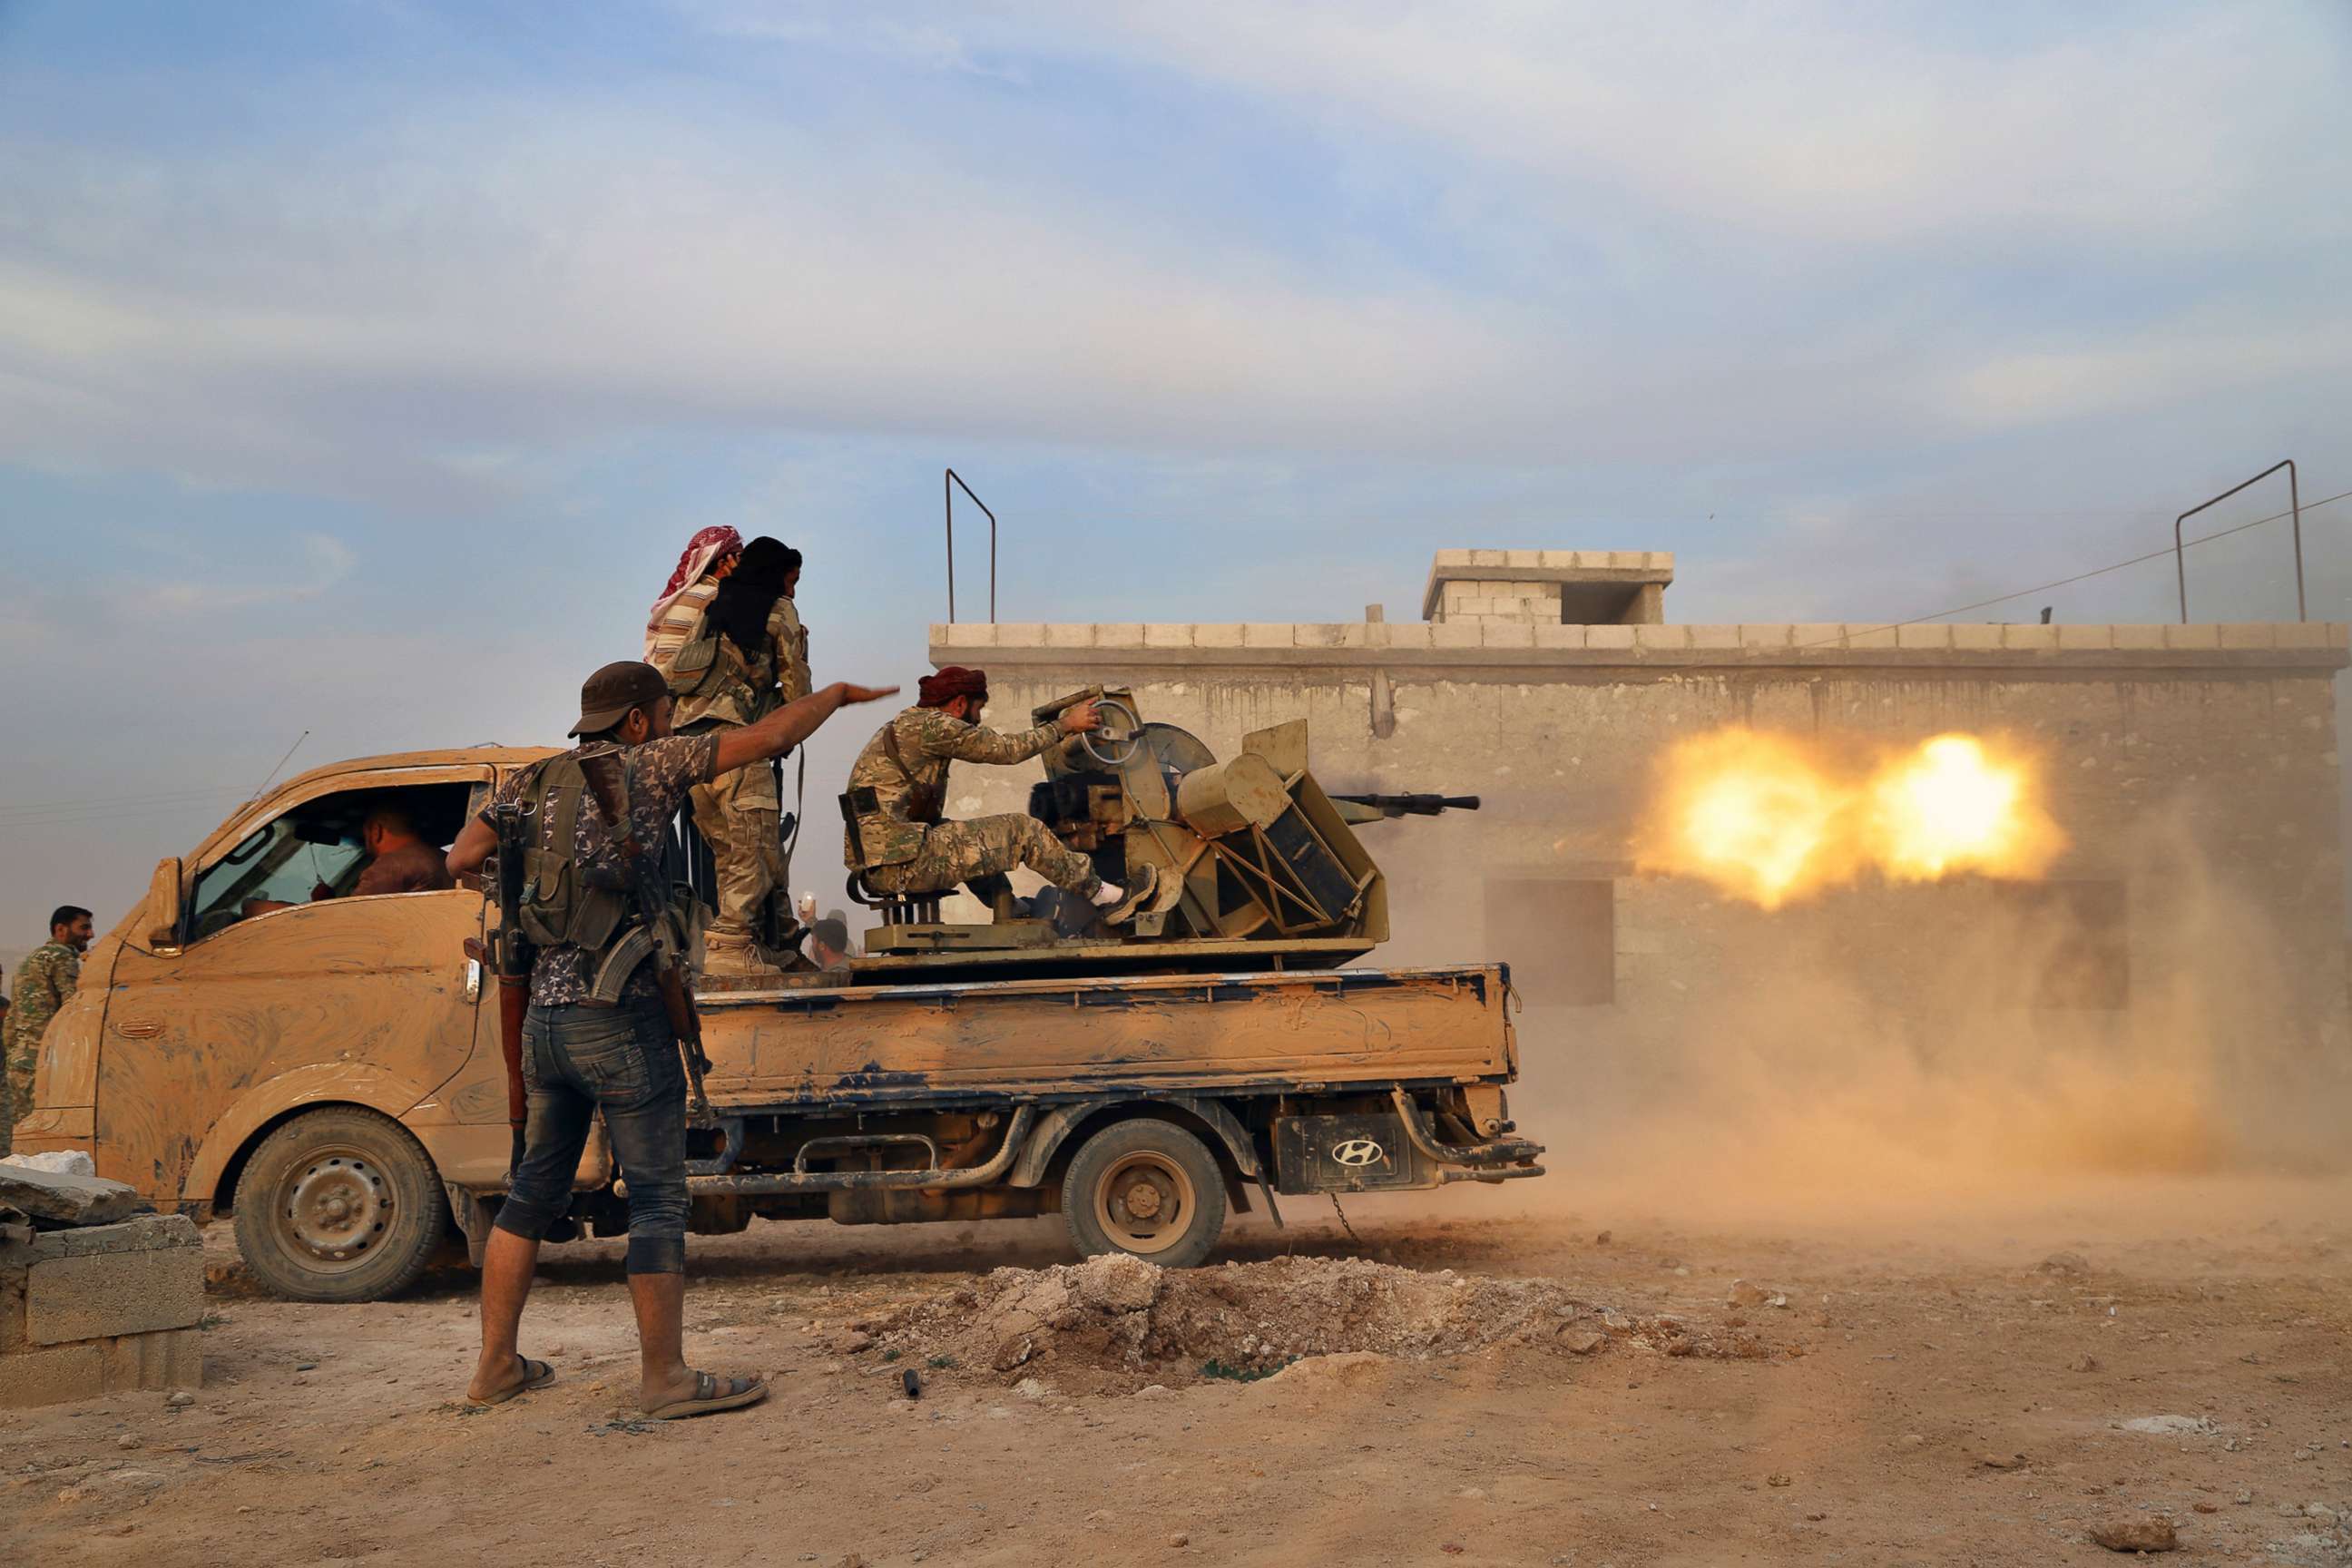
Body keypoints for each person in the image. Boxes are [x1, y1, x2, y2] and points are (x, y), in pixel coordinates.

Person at [446, 660, 893, 1418]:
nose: (671, 724)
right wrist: (838, 698)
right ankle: (665, 1380)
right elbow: (769, 737)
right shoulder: (650, 764)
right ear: (637, 722)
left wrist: (528, 911)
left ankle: (495, 1368)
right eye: (665, 712)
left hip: (544, 1025)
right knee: (656, 1199)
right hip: (621, 1015)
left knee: (531, 1193)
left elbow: (460, 859)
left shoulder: (530, 781)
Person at [842, 666, 1155, 922]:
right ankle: (1106, 897)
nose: (977, 720)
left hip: (883, 866)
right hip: (903, 864)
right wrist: (1065, 726)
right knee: (1023, 831)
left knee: (958, 835)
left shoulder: (904, 725)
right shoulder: (933, 726)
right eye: (977, 710)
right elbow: (1006, 751)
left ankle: (1012, 910)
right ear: (960, 703)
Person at [646, 536, 808, 975]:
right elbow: (797, 689)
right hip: (737, 744)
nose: (792, 590)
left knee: (735, 850)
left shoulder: (714, 609)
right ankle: (732, 946)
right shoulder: (779, 611)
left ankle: (774, 942)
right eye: (791, 580)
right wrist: (789, 728)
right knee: (752, 847)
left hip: (690, 750)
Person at [243, 802, 456, 917]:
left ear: (376, 831)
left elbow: (343, 923)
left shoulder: (390, 866)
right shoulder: (441, 858)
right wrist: (327, 903)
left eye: (364, 834)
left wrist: (265, 910)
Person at [6, 906, 94, 1151]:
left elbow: (11, 1023)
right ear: (61, 929)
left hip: (20, 1061)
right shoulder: (61, 956)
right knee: (43, 1145)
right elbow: (74, 1008)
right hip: (44, 1061)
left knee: (22, 1138)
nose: (91, 934)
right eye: (84, 927)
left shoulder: (32, 960)